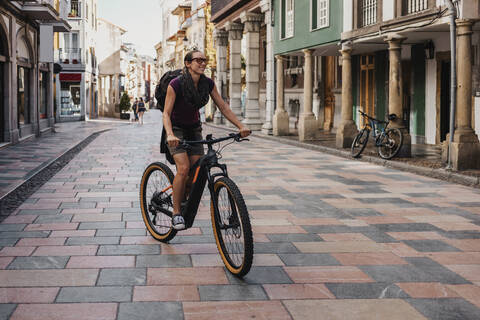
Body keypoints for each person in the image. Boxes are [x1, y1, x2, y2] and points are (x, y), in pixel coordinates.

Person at [163, 50, 251, 230]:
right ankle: (177, 212)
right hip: (176, 129)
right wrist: (170, 134)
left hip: (194, 129)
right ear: (188, 63)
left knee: (195, 171)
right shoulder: (176, 84)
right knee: (183, 168)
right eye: (198, 60)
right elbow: (166, 113)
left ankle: (184, 196)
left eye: (205, 60)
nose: (203, 63)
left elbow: (223, 107)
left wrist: (240, 126)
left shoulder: (208, 84)